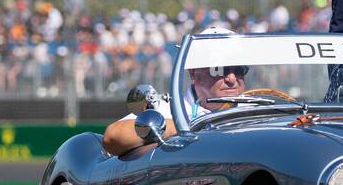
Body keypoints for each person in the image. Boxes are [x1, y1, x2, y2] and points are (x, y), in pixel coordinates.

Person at [102, 27, 246, 155]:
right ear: (194, 74)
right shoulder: (170, 110)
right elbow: (112, 137)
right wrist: (190, 126)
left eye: (239, 69)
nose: (232, 79)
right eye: (219, 70)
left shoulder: (256, 108)